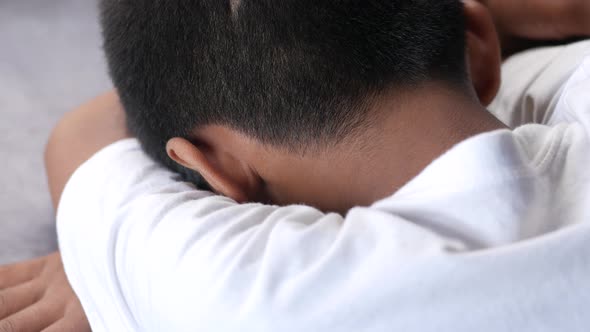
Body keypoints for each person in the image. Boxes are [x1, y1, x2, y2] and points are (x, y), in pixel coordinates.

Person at [1, 0, 589, 331]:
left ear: (215, 172)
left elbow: (80, 136)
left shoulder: (242, 293)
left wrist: (104, 263)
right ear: (481, 46)